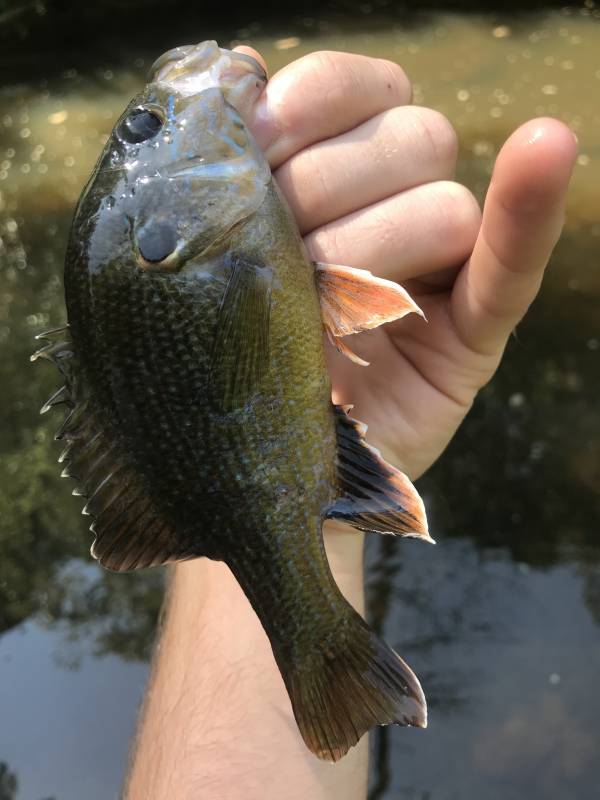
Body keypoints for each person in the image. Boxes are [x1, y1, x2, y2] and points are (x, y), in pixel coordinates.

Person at [123, 46, 577, 799]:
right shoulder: (218, 245)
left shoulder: (216, 241)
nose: (153, 118)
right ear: (161, 237)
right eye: (145, 126)